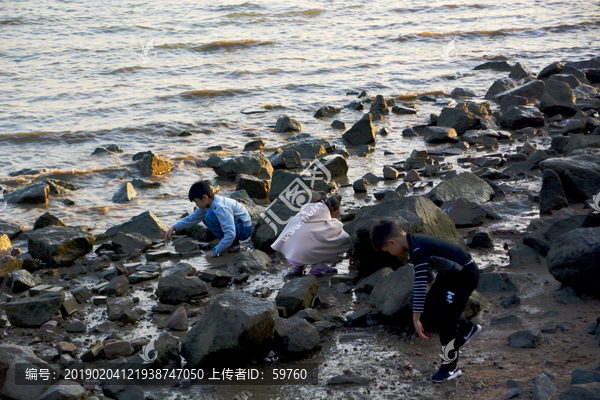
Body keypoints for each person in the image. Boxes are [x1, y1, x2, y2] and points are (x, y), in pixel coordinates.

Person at [370, 219, 481, 383]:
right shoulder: (413, 243)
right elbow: (426, 268)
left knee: (447, 324)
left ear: (392, 242)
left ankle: (450, 368)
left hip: (464, 275)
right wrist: (435, 289)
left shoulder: (418, 248)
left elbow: (419, 284)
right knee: (430, 309)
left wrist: (415, 318)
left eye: (388, 251)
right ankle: (467, 329)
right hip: (449, 275)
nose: (390, 254)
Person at [165, 180, 252, 258]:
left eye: (196, 202)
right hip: (237, 226)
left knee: (209, 216)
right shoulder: (208, 204)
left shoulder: (220, 207)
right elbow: (191, 219)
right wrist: (174, 227)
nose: (196, 205)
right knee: (205, 216)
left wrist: (216, 251)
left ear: (204, 198)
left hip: (244, 229)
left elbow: (230, 234)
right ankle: (232, 243)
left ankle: (233, 244)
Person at [271, 196, 352, 276]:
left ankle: (298, 267)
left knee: (307, 236)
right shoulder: (327, 222)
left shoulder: (301, 214)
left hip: (292, 256)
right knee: (322, 240)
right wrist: (351, 251)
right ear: (335, 210)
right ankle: (318, 266)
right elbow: (344, 239)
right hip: (306, 255)